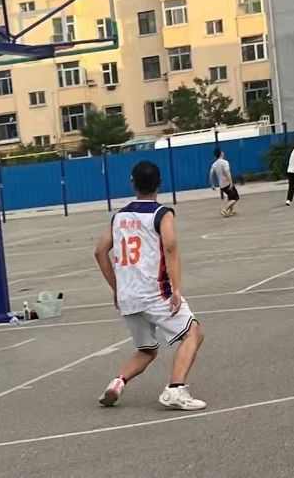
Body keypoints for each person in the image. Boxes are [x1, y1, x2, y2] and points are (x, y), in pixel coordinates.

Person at [94, 160, 206, 411]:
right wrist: (176, 289)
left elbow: (100, 252)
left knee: (146, 350)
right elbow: (170, 247)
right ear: (159, 184)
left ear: (132, 183)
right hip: (155, 293)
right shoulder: (161, 214)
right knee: (193, 333)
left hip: (128, 297)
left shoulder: (119, 217)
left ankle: (117, 383)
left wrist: (116, 288)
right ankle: (175, 389)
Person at [209, 148, 239, 217]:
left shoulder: (214, 164)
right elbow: (226, 172)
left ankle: (229, 212)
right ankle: (224, 210)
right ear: (221, 154)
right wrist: (231, 182)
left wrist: (212, 184)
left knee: (231, 197)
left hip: (222, 186)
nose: (223, 153)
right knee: (235, 198)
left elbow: (210, 174)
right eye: (222, 152)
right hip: (227, 183)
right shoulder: (225, 162)